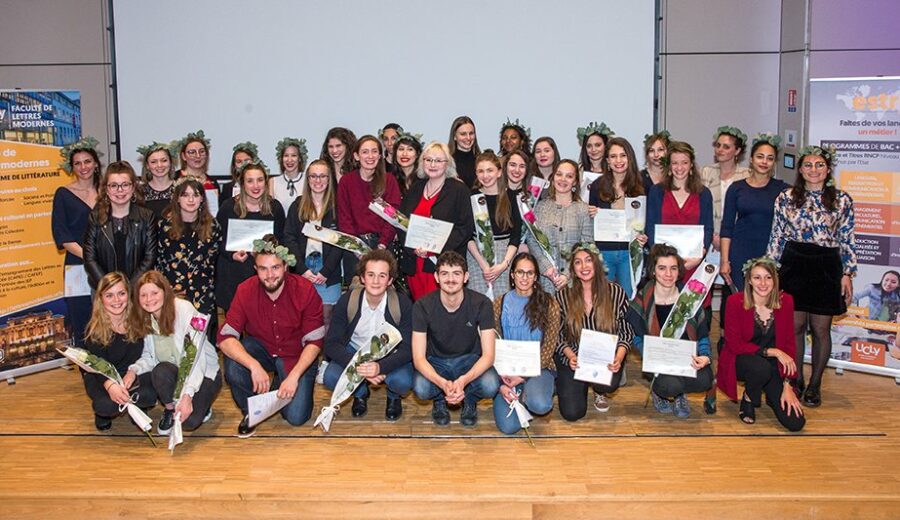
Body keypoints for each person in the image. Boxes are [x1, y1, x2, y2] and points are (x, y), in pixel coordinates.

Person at [767, 145, 856, 407]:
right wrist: (771, 269)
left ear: (828, 169)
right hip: (794, 263)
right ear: (800, 169)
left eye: (819, 165)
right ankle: (795, 379)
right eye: (808, 165)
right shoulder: (785, 197)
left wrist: (847, 272)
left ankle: (815, 385)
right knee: (794, 326)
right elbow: (777, 235)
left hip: (826, 265)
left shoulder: (842, 200)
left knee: (820, 329)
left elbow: (847, 238)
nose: (813, 170)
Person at [218, 235, 324, 437]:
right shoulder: (245, 290)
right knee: (234, 361)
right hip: (263, 350)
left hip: (296, 356)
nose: (269, 275)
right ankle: (250, 410)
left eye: (275, 267)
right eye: (263, 269)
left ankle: (280, 383)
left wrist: (293, 377)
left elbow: (315, 341)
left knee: (295, 417)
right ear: (255, 269)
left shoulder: (304, 290)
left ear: (285, 266)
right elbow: (225, 337)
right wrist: (253, 365)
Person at [322, 249, 414, 420]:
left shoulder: (402, 303)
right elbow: (331, 344)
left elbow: (408, 348)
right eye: (371, 275)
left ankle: (393, 398)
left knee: (403, 381)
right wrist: (361, 367)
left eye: (382, 276)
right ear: (362, 278)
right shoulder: (347, 301)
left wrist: (381, 367)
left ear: (390, 280)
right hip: (355, 353)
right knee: (331, 377)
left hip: (389, 355)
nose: (376, 281)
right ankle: (360, 394)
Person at [127, 271, 222, 435]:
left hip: (204, 372)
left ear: (165, 291)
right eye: (143, 295)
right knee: (160, 371)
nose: (149, 299)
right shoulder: (146, 319)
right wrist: (133, 370)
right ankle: (170, 409)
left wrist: (187, 395)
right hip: (176, 373)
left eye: (154, 293)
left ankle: (202, 405)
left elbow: (194, 357)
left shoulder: (185, 309)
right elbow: (150, 357)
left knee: (189, 423)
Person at [412, 251, 500, 426]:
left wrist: (463, 381)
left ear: (466, 277)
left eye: (456, 274)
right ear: (436, 277)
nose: (450, 279)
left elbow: (489, 356)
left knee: (491, 384)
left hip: (469, 360)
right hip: (436, 361)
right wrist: (442, 383)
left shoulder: (482, 303)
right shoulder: (422, 306)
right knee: (421, 388)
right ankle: (439, 401)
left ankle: (469, 400)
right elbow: (418, 358)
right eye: (444, 274)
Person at [719, 258, 805, 431]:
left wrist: (788, 385)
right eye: (757, 277)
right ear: (749, 280)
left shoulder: (786, 301)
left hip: (772, 366)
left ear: (775, 279)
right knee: (760, 368)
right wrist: (772, 351)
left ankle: (764, 392)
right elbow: (735, 344)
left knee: (795, 423)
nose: (763, 283)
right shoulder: (735, 302)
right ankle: (749, 398)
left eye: (768, 277)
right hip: (741, 358)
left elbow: (789, 345)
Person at [627, 244, 713, 418]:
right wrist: (649, 354)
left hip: (686, 358)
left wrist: (705, 355)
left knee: (705, 379)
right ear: (653, 270)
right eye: (662, 268)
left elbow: (703, 332)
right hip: (659, 360)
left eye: (673, 268)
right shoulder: (642, 300)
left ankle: (680, 394)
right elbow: (634, 334)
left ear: (679, 271)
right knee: (669, 386)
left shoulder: (690, 297)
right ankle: (661, 393)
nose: (668, 274)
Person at [555, 243, 633, 419]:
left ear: (596, 263)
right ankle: (580, 384)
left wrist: (618, 358)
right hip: (573, 358)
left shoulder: (616, 292)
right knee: (572, 413)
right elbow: (557, 335)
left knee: (609, 383)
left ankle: (599, 390)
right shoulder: (562, 295)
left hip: (603, 358)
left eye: (588, 260)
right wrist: (570, 356)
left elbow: (626, 332)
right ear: (573, 269)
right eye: (578, 262)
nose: (584, 267)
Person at [492, 253, 560, 434]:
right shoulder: (500, 303)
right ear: (512, 275)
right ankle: (518, 393)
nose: (525, 277)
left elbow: (549, 348)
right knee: (509, 427)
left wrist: (522, 377)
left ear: (536, 277)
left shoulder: (549, 303)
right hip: (507, 371)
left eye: (530, 273)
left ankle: (532, 391)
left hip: (539, 368)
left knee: (540, 404)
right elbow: (493, 342)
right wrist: (502, 380)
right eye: (520, 272)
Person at [80, 272, 156, 431]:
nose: (116, 300)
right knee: (105, 406)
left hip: (132, 373)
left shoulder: (139, 319)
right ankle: (104, 413)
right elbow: (97, 366)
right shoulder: (94, 328)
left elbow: (147, 355)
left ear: (128, 294)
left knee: (149, 395)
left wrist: (132, 372)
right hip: (101, 375)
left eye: (121, 293)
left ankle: (137, 405)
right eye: (109, 295)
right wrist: (110, 385)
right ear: (101, 298)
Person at [399, 141, 474, 301]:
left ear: (447, 164)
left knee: (442, 312)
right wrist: (413, 248)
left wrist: (434, 248)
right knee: (420, 310)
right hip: (415, 264)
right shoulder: (415, 189)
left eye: (438, 160)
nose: (432, 164)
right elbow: (402, 223)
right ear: (422, 162)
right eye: (428, 159)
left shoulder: (459, 190)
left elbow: (465, 228)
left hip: (444, 266)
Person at [156, 177, 222, 343]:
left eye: (196, 194)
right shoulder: (165, 226)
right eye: (185, 195)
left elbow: (212, 263)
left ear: (202, 199)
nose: (191, 199)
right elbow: (160, 262)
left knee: (201, 342)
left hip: (202, 296)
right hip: (173, 294)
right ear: (177, 198)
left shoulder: (213, 227)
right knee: (175, 340)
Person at [720, 134, 788, 292]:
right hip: (740, 251)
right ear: (751, 159)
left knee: (767, 302)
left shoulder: (783, 190)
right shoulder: (736, 188)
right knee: (740, 301)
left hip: (771, 253)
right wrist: (725, 260)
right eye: (760, 157)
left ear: (774, 163)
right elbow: (727, 227)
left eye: (770, 158)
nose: (764, 162)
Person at [215, 160, 286, 311]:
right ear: (242, 184)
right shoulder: (228, 207)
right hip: (233, 274)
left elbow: (282, 241)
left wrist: (268, 253)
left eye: (260, 180)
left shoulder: (275, 208)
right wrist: (231, 254)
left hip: (265, 277)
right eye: (250, 181)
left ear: (266, 183)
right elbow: (217, 240)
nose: (256, 186)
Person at [53, 137, 101, 346]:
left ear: (96, 164)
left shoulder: (107, 192)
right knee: (81, 317)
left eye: (87, 161)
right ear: (71, 167)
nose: (83, 167)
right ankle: (87, 371)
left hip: (107, 264)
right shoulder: (63, 194)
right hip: (76, 265)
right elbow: (62, 235)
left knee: (109, 314)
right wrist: (91, 258)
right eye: (78, 163)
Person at [283, 160, 342, 331]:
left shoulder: (337, 207)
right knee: (303, 320)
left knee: (327, 318)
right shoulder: (297, 206)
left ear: (329, 179)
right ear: (308, 180)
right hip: (303, 271)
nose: (318, 181)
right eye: (314, 176)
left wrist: (325, 271)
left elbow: (341, 242)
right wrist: (302, 270)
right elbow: (289, 238)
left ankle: (326, 358)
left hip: (328, 273)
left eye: (322, 176)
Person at [587, 136, 648, 297]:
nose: (618, 160)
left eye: (622, 155)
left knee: (628, 297)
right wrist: (591, 214)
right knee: (603, 299)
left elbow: (647, 220)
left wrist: (643, 236)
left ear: (630, 158)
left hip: (629, 252)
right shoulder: (597, 186)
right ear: (607, 160)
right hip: (604, 251)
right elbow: (590, 223)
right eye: (613, 156)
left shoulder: (642, 185)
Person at [83, 161, 157, 289]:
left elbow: (149, 257)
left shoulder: (147, 217)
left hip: (138, 289)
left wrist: (128, 287)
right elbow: (89, 258)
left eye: (125, 185)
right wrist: (110, 287)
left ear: (133, 187)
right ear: (106, 189)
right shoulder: (95, 218)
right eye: (114, 185)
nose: (120, 190)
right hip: (103, 290)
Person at [646, 141, 713, 281]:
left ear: (691, 165)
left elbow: (708, 228)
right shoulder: (656, 192)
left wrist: (700, 255)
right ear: (669, 166)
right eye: (675, 163)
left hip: (693, 263)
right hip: (664, 266)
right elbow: (651, 227)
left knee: (691, 302)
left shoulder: (703, 193)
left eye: (684, 162)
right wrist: (664, 261)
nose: (679, 167)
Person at [336, 135, 402, 275]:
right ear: (356, 156)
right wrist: (358, 250)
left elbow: (392, 218)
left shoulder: (389, 181)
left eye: (374, 151)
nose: (370, 156)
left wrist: (382, 246)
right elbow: (344, 219)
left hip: (383, 246)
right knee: (355, 294)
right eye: (365, 152)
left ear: (379, 155)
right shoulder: (346, 182)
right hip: (354, 248)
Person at [527, 159, 593, 292]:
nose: (563, 179)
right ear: (553, 177)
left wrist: (568, 275)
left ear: (575, 182)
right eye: (559, 174)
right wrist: (546, 267)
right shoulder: (540, 207)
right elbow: (532, 239)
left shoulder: (583, 210)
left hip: (575, 280)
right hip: (546, 280)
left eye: (569, 176)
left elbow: (587, 246)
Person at [466, 151, 522, 298]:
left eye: (490, 170)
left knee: (502, 304)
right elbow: (467, 235)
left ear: (499, 172)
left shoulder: (511, 196)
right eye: (481, 171)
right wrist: (483, 264)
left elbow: (516, 235)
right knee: (478, 304)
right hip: (477, 260)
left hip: (504, 258)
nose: (485, 175)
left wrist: (504, 264)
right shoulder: (471, 196)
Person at [700, 126, 750, 252]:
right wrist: (711, 236)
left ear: (737, 150)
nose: (720, 150)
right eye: (718, 145)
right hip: (710, 239)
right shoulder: (706, 172)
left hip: (737, 239)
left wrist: (728, 238)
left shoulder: (747, 175)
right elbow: (700, 208)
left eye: (726, 147)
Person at [175, 130, 218, 214]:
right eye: (192, 152)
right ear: (183, 156)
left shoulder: (213, 182)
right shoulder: (174, 178)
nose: (198, 156)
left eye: (201, 151)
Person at [137, 141, 176, 218]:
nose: (159, 165)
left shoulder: (180, 189)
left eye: (164, 160)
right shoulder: (140, 192)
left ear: (170, 162)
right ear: (147, 165)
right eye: (153, 162)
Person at [269, 137, 308, 211]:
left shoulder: (307, 179)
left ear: (300, 158)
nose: (289, 160)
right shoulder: (273, 181)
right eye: (286, 155)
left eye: (294, 155)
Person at [447, 115, 481, 190]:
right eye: (463, 134)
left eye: (471, 133)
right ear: (454, 136)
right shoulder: (446, 162)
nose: (468, 138)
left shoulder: (481, 160)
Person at [391, 130, 424, 196]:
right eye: (401, 149)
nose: (404, 154)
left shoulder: (424, 179)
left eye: (410, 149)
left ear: (417, 154)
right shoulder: (390, 179)